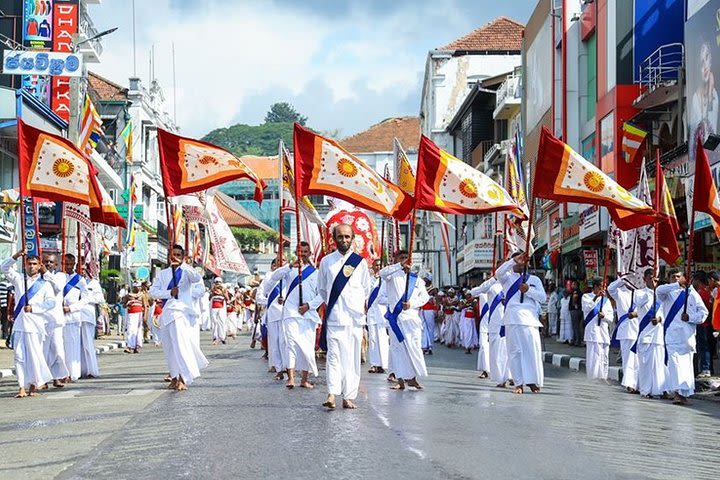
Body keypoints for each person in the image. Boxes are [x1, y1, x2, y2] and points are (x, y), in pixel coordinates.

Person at [317, 224, 372, 409]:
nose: (344, 240)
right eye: (340, 237)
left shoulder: (360, 262)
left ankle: (348, 396)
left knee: (352, 358)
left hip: (355, 319)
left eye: (347, 237)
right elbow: (322, 289)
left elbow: (366, 289)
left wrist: (355, 304)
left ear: (353, 238)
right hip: (335, 317)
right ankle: (332, 393)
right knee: (333, 356)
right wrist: (336, 304)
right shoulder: (326, 261)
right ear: (334, 238)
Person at [149, 245, 208, 391]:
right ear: (169, 256)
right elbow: (153, 292)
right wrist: (169, 293)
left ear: (183, 257)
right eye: (173, 254)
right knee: (169, 347)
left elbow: (197, 278)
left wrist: (183, 265)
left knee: (181, 346)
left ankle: (183, 377)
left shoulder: (187, 272)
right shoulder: (163, 274)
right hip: (167, 312)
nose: (175, 257)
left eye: (178, 255)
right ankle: (174, 377)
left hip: (181, 312)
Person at [268, 241, 322, 389]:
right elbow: (274, 277)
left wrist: (309, 306)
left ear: (309, 253)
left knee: (307, 346)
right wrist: (290, 266)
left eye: (305, 252)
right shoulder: (289, 270)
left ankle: (304, 379)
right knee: (290, 344)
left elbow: (322, 294)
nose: (302, 254)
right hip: (291, 313)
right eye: (300, 252)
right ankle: (291, 378)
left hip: (308, 314)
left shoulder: (316, 273)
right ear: (296, 253)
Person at [1, 249, 55, 398]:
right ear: (25, 265)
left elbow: (51, 303)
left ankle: (33, 385)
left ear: (39, 266)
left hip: (35, 326)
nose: (31, 266)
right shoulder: (19, 279)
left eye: (34, 264)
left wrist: (34, 308)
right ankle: (21, 387)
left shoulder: (45, 284)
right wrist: (16, 255)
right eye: (29, 264)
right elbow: (3, 268)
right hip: (19, 325)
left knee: (34, 356)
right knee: (19, 356)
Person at [656, 269, 708, 405]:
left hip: (687, 338)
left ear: (683, 277)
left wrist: (690, 317)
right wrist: (678, 285)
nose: (676, 279)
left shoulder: (692, 294)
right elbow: (659, 291)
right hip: (672, 337)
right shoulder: (666, 293)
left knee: (686, 367)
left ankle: (684, 392)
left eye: (678, 277)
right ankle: (678, 393)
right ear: (669, 279)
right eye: (673, 277)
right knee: (675, 364)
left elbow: (703, 313)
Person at [495, 252, 544, 394]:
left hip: (530, 320)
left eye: (522, 260)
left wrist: (528, 290)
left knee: (532, 351)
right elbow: (498, 272)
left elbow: (541, 297)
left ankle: (532, 381)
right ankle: (518, 383)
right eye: (518, 261)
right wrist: (512, 260)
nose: (520, 263)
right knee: (515, 351)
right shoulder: (507, 278)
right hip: (513, 319)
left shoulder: (534, 279)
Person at [380, 250, 430, 391]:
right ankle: (400, 380)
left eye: (406, 258)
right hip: (396, 320)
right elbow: (382, 275)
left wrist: (412, 304)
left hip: (412, 319)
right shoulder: (390, 277)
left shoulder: (416, 279)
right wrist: (392, 302)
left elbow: (425, 297)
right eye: (400, 258)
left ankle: (413, 379)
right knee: (398, 350)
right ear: (396, 260)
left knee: (413, 349)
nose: (404, 260)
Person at [632, 269, 666, 399]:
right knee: (645, 365)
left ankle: (658, 389)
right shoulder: (639, 293)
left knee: (658, 365)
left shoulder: (661, 296)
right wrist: (652, 291)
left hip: (658, 335)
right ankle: (645, 390)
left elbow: (664, 313)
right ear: (645, 279)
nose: (654, 281)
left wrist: (660, 319)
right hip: (645, 335)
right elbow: (639, 304)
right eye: (651, 278)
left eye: (656, 279)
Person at [41, 253, 71, 388]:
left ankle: (57, 377)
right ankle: (42, 379)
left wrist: (46, 273)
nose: (48, 264)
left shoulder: (60, 276)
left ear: (56, 265)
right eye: (46, 262)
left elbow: (58, 287)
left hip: (56, 319)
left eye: (51, 262)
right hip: (40, 320)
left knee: (57, 349)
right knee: (42, 351)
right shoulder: (37, 279)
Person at [473, 276, 508, 386]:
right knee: (489, 348)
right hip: (488, 322)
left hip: (507, 321)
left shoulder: (510, 284)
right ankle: (488, 371)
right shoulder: (490, 286)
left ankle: (510, 376)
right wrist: (492, 280)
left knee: (507, 350)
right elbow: (474, 292)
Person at [607, 276, 640, 393]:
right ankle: (629, 384)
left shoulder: (639, 293)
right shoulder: (620, 292)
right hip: (626, 330)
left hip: (639, 330)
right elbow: (610, 289)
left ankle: (638, 383)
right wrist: (623, 279)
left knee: (638, 360)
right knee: (628, 358)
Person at [257, 258, 286, 379]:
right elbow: (259, 297)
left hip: (287, 313)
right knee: (274, 342)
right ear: (273, 265)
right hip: (273, 314)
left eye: (283, 263)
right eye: (278, 263)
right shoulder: (268, 278)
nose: (281, 265)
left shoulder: (288, 276)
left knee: (285, 342)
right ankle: (276, 366)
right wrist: (271, 302)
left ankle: (287, 367)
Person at [582, 279, 614, 381]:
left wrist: (604, 316)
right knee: (593, 357)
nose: (602, 289)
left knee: (604, 357)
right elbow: (586, 308)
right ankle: (592, 378)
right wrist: (596, 297)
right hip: (592, 332)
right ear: (595, 287)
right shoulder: (586, 297)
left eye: (604, 287)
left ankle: (603, 377)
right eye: (600, 287)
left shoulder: (607, 301)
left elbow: (611, 318)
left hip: (603, 332)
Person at [366, 259, 389, 373]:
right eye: (376, 265)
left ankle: (383, 364)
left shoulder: (385, 280)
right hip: (371, 312)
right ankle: (374, 364)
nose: (378, 267)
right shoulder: (368, 280)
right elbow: (365, 296)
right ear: (373, 267)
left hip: (381, 312)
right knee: (373, 339)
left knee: (382, 338)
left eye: (380, 265)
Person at [80, 269, 104, 378]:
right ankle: (79, 370)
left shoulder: (93, 283)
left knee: (88, 344)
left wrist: (86, 298)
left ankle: (91, 370)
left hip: (87, 315)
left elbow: (99, 298)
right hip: (73, 316)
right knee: (76, 346)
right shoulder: (73, 281)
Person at [692, 271, 713, 378]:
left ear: (697, 281)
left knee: (703, 347)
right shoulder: (707, 291)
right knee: (704, 346)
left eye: (693, 280)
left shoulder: (700, 293)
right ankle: (706, 368)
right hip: (706, 323)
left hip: (702, 324)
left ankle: (705, 368)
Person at [124, 283, 145, 353]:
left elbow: (145, 306)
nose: (138, 288)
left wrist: (145, 316)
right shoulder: (128, 295)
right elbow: (123, 304)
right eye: (136, 287)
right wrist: (127, 304)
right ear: (133, 287)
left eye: (139, 286)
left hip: (139, 314)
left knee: (138, 330)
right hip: (131, 314)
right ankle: (130, 346)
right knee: (131, 329)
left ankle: (137, 346)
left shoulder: (142, 295)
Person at [419, 274, 436, 355]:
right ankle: (424, 345)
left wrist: (438, 310)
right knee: (423, 328)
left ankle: (430, 346)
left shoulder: (434, 290)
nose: (424, 280)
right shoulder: (421, 288)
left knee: (430, 328)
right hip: (422, 309)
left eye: (426, 279)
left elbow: (437, 301)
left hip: (430, 310)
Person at [209, 278, 228, 345]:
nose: (218, 283)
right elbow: (209, 298)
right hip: (214, 307)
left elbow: (227, 298)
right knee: (214, 322)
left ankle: (222, 337)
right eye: (216, 282)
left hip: (221, 307)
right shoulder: (212, 289)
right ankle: (215, 337)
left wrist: (222, 293)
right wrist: (213, 293)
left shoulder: (224, 289)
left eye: (219, 282)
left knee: (222, 321)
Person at [568, 280, 583, 347]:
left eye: (573, 284)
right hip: (578, 310)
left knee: (575, 326)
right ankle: (575, 340)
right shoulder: (579, 291)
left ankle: (577, 341)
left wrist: (574, 304)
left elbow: (575, 297)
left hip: (575, 310)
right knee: (576, 326)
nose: (571, 285)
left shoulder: (576, 291)